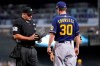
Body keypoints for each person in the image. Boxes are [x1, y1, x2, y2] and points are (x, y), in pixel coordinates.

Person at [47, 1, 81, 66]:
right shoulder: (73, 19)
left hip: (60, 46)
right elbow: (77, 35)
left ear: (58, 9)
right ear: (66, 9)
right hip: (71, 46)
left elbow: (52, 35)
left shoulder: (56, 19)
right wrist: (77, 47)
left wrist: (49, 46)